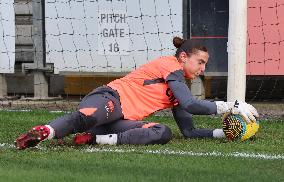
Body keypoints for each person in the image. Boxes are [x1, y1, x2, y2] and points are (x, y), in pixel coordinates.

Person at [15, 37, 259, 150]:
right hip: (109, 98)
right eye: (200, 62)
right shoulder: (169, 65)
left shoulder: (178, 84)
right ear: (183, 57)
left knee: (161, 132)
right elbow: (192, 105)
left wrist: (225, 133)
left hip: (120, 121)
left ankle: (94, 139)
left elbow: (189, 131)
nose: (203, 69)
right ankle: (45, 131)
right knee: (86, 117)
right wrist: (231, 106)